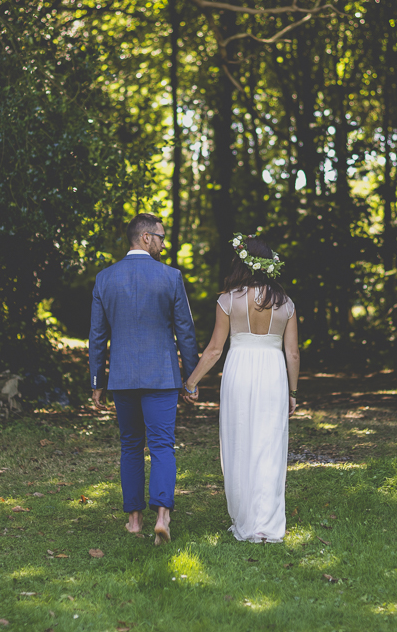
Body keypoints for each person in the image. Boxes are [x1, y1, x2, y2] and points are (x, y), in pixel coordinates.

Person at [89, 213, 199, 545]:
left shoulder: (105, 279)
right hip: (162, 376)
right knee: (163, 445)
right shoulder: (171, 277)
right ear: (146, 238)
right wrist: (190, 378)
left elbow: (97, 336)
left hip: (121, 377)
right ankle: (162, 516)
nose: (165, 243)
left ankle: (134, 521)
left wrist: (96, 380)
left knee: (131, 446)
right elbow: (186, 333)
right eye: (162, 237)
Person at [183, 233, 299, 543]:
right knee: (270, 445)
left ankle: (246, 518)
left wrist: (191, 382)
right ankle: (267, 522)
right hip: (274, 373)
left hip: (239, 372)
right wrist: (293, 391)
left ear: (242, 263)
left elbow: (214, 350)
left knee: (239, 441)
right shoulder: (285, 303)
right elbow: (293, 353)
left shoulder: (228, 300)